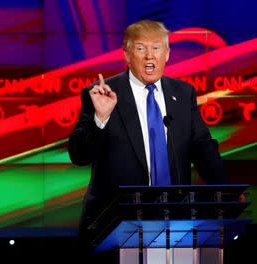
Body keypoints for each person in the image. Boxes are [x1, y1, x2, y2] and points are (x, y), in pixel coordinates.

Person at [68, 20, 227, 249]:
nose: (149, 56)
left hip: (175, 224)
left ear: (167, 54)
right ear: (127, 55)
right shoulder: (103, 94)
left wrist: (224, 191)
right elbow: (79, 155)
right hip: (115, 224)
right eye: (141, 49)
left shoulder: (182, 94)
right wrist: (100, 118)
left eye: (156, 48)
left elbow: (203, 149)